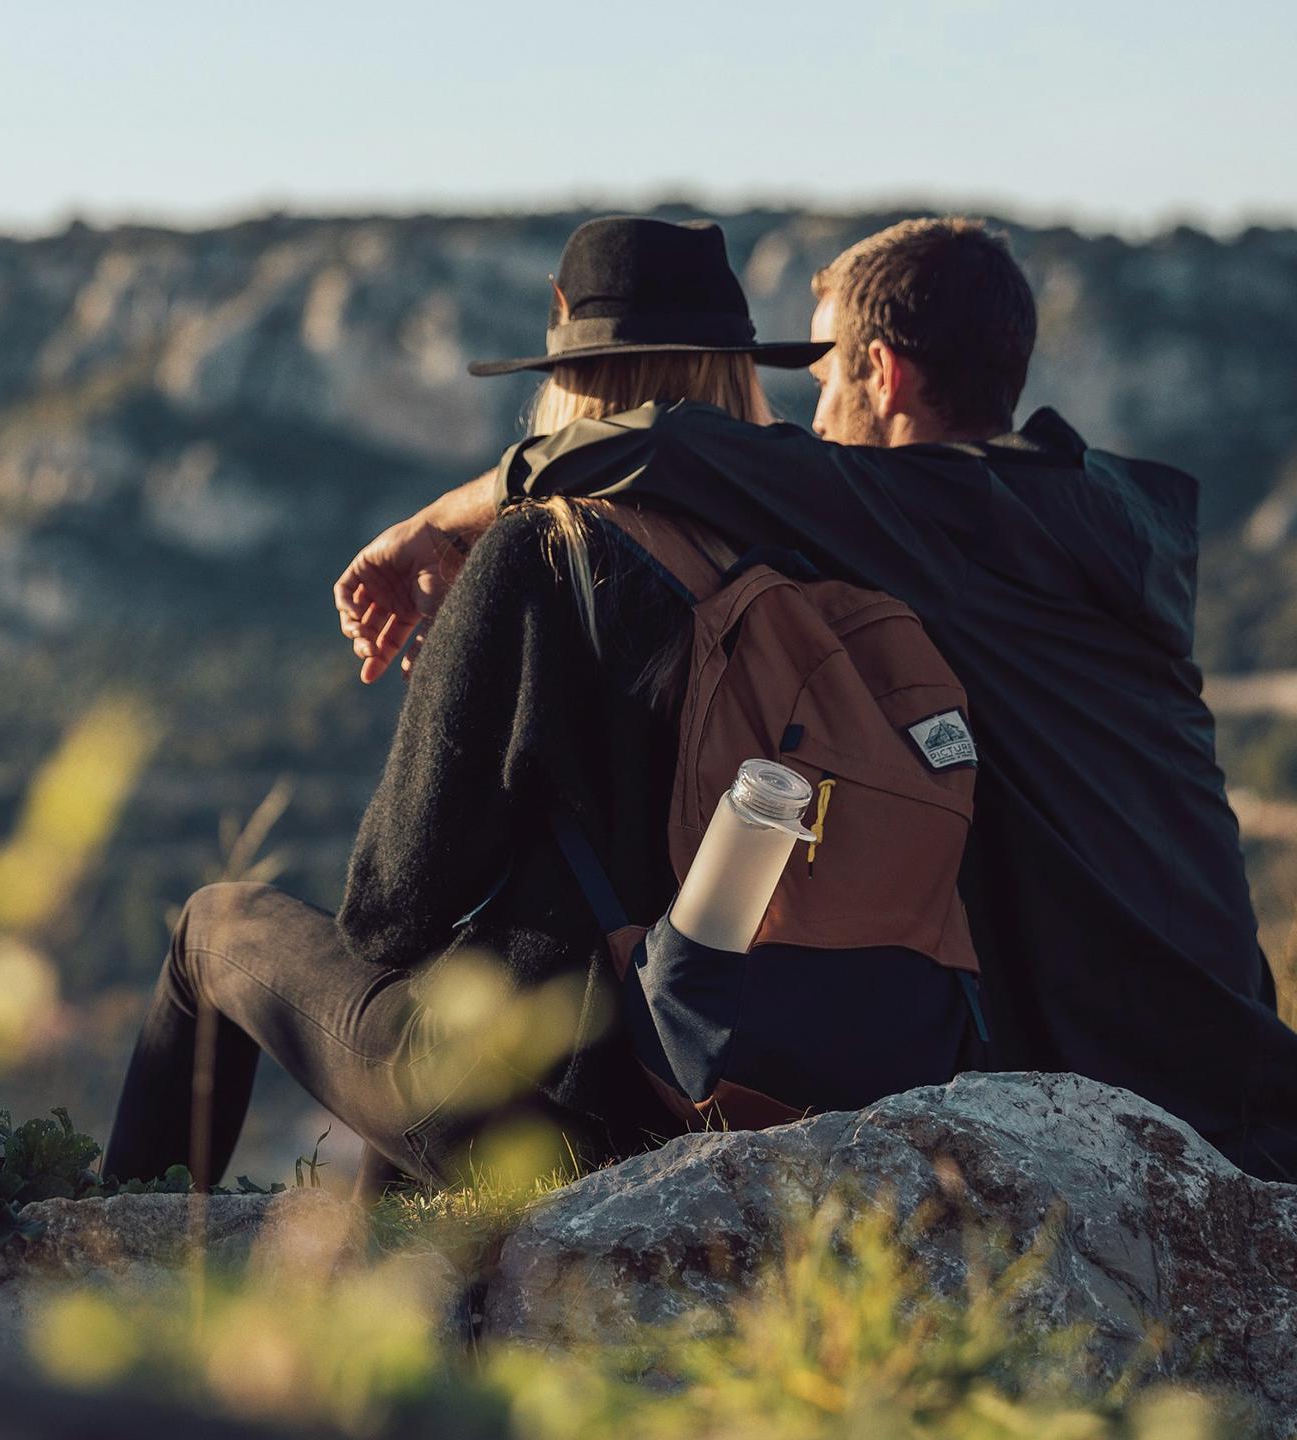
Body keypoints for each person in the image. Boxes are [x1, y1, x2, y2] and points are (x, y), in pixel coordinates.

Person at [338, 216, 1297, 1182]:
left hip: (1129, 1117)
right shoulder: (1091, 517)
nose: (813, 415)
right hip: (1249, 1078)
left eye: (830, 376)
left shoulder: (924, 513)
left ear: (885, 375)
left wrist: (431, 523)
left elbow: (659, 442)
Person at [105, 216, 977, 1200]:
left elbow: (390, 911)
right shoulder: (817, 564)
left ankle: (110, 1252)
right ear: (739, 370)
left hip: (551, 1124)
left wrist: (462, 679)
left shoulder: (545, 553)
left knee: (213, 928)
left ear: (566, 360)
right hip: (740, 1096)